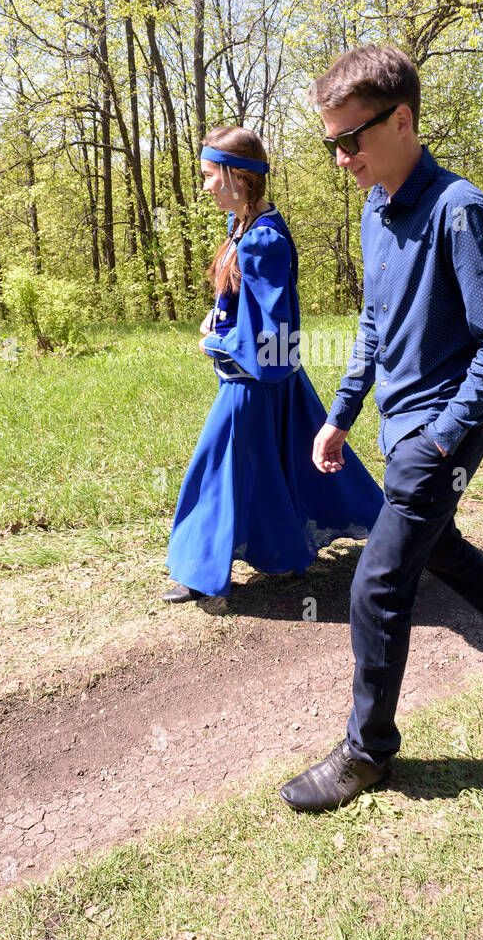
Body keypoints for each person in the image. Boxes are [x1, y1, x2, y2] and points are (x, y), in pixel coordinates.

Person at [279, 45, 483, 813]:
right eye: (330, 142)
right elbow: (373, 324)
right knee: (439, 547)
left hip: (439, 432)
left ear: (400, 120)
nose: (341, 158)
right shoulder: (376, 208)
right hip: (400, 424)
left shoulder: (458, 209)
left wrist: (439, 438)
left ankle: (366, 752)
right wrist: (339, 415)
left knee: (377, 584)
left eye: (350, 140)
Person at [163, 124, 384, 603]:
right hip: (272, 382)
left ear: (236, 177)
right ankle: (306, 549)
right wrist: (219, 309)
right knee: (288, 468)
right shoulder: (242, 225)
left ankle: (200, 571)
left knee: (218, 470)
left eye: (207, 176)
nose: (204, 188)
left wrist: (217, 344)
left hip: (255, 383)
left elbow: (274, 333)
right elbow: (248, 299)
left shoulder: (263, 240)